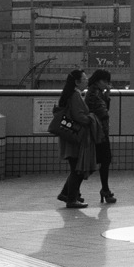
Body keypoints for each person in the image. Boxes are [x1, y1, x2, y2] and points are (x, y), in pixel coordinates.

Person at [55, 68, 93, 209]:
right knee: (77, 169)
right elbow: (79, 116)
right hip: (75, 137)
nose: (87, 81)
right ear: (77, 82)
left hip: (69, 135)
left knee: (75, 167)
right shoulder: (75, 96)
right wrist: (90, 119)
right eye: (84, 79)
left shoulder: (69, 94)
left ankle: (66, 194)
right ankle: (71, 199)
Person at [85, 69, 116, 204]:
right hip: (98, 133)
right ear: (98, 80)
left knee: (100, 161)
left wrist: (106, 95)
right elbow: (103, 113)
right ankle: (104, 190)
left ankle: (105, 189)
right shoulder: (93, 94)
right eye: (105, 81)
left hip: (100, 132)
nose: (107, 84)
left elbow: (104, 109)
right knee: (100, 160)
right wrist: (105, 98)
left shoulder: (96, 92)